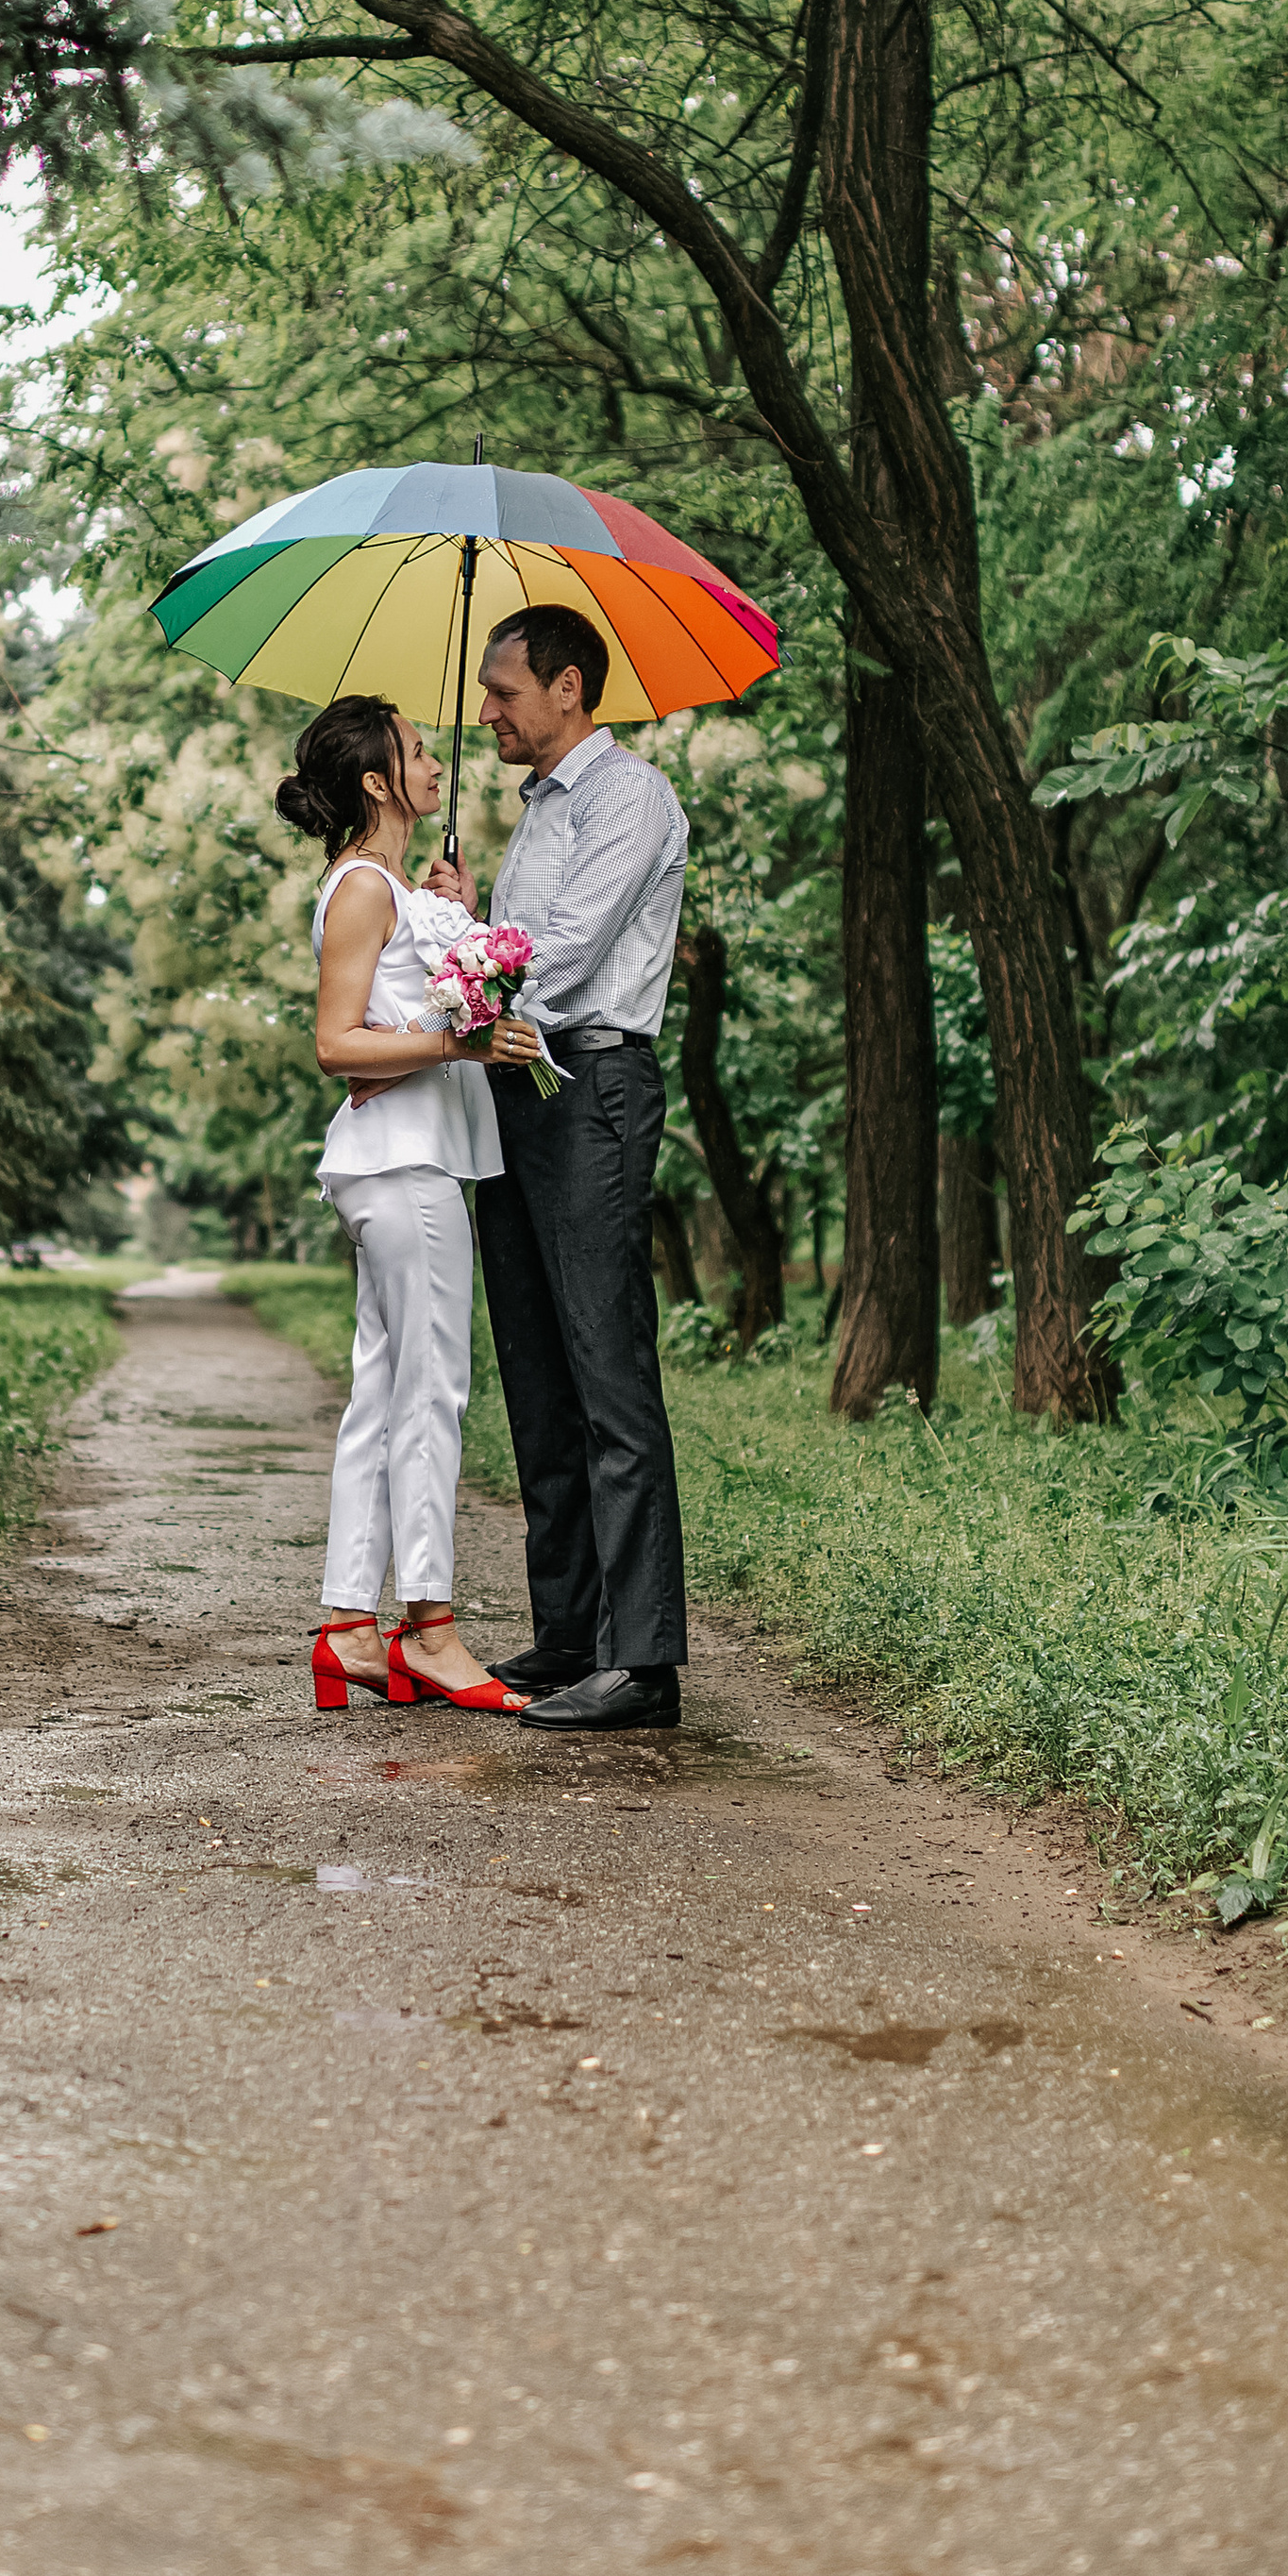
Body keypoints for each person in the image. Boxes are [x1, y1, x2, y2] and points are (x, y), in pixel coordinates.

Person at [276, 695, 544, 1714]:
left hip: (405, 1161)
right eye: (418, 751)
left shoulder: (395, 888)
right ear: (378, 783)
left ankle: (348, 1626)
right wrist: (458, 1042)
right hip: (401, 1165)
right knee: (433, 1392)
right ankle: (428, 1626)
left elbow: (407, 1005)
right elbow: (337, 1045)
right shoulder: (358, 889)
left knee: (384, 1396)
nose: (436, 760)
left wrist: (456, 916)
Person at [455, 606, 691, 1733]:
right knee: (537, 1371)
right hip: (515, 1087)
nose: (488, 711)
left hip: (591, 1086)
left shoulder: (627, 797)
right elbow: (516, 957)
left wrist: (475, 986)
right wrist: (463, 926)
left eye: (504, 691)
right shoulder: (535, 811)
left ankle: (641, 1664)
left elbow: (566, 955)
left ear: (567, 688)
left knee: (606, 1371)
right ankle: (567, 1634)